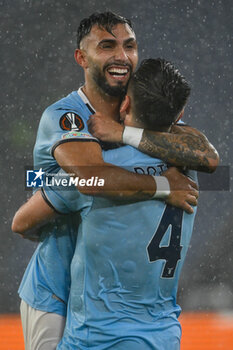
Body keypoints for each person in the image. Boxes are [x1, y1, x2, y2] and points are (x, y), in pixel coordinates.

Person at [12, 11, 218, 350]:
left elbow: (208, 158)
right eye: (107, 46)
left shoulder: (146, 119)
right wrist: (163, 187)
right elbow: (90, 179)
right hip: (55, 288)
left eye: (129, 46)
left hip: (109, 299)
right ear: (82, 57)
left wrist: (124, 133)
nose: (122, 56)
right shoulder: (66, 116)